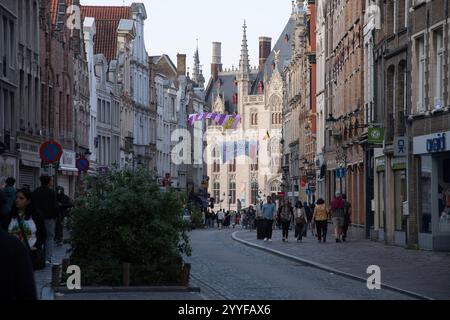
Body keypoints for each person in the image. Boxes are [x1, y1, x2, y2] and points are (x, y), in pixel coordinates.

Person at [6, 188, 47, 270]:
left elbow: (43, 234)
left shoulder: (36, 215)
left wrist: (36, 246)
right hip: (11, 255)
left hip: (29, 255)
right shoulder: (10, 215)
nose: (17, 200)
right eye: (16, 198)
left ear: (28, 201)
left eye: (21, 198)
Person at [32, 175, 58, 263]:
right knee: (49, 237)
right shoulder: (52, 192)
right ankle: (47, 258)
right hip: (49, 218)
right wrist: (55, 217)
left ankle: (36, 254)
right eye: (51, 181)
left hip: (36, 218)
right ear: (49, 182)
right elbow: (55, 206)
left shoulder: (35, 192)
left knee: (37, 236)